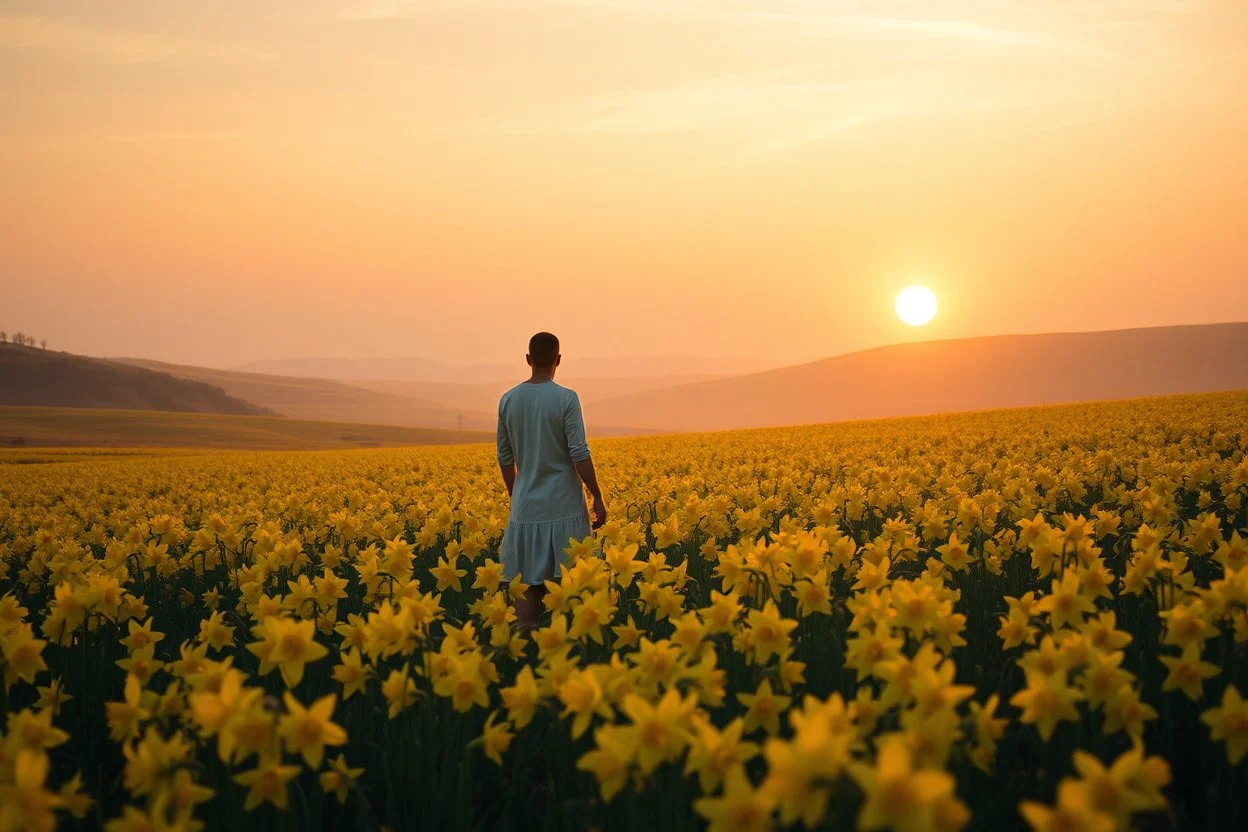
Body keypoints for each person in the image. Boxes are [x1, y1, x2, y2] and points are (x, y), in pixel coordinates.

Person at [496, 332, 607, 628]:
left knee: (526, 589)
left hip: (525, 509)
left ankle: (521, 662)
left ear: (528, 360)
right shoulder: (566, 398)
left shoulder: (508, 400)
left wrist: (516, 492)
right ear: (558, 360)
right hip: (565, 508)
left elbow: (505, 458)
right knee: (571, 591)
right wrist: (596, 494)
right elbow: (579, 452)